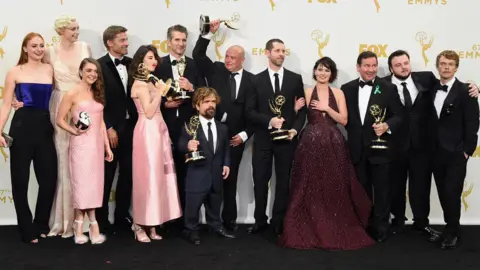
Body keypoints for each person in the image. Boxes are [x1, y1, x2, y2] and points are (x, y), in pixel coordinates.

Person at [279, 57, 375, 250]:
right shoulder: (306, 92)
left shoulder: (338, 93)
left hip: (334, 143)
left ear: (332, 74)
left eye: (327, 70)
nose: (323, 73)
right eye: (320, 70)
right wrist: (295, 110)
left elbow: (344, 120)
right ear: (315, 71)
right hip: (309, 144)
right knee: (307, 185)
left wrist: (327, 108)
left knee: (334, 185)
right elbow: (296, 119)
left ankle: (335, 225)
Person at [384, 50, 478, 236]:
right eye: (398, 65)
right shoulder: (383, 84)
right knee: (395, 186)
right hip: (396, 145)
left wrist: (476, 86)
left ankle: (421, 222)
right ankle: (398, 221)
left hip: (423, 147)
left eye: (405, 63)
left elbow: (454, 88)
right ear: (391, 68)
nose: (403, 67)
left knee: (421, 187)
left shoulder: (426, 79)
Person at [192, 19, 254, 231]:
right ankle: (207, 221)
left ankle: (229, 222)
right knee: (207, 179)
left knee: (230, 181)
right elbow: (198, 56)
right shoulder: (216, 70)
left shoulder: (252, 81)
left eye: (233, 57)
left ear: (242, 60)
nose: (228, 60)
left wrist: (245, 135)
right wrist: (208, 33)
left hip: (236, 139)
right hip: (211, 136)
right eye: (227, 56)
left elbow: (254, 114)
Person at [340, 51, 404, 242]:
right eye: (366, 66)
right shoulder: (347, 88)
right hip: (357, 149)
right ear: (358, 67)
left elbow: (398, 116)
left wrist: (386, 126)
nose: (371, 69)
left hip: (381, 148)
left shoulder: (387, 87)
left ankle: (381, 226)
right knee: (362, 190)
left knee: (382, 191)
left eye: (374, 65)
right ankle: (363, 225)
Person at [0, 32, 57, 243]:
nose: (39, 49)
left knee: (49, 179)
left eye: (41, 45)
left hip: (44, 126)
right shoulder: (15, 71)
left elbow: (61, 95)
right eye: (34, 46)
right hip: (22, 126)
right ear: (25, 48)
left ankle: (41, 223)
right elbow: (6, 103)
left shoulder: (50, 69)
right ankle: (26, 228)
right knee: (20, 181)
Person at [246, 38, 306, 235]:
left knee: (283, 181)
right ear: (267, 53)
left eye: (283, 51)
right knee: (260, 180)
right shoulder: (255, 80)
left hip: (287, 141)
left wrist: (295, 130)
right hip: (263, 139)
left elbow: (302, 111)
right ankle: (259, 220)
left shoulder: (295, 79)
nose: (281, 54)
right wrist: (269, 121)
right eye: (277, 51)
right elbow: (250, 111)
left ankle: (279, 221)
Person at [55, 58, 113, 244]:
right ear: (80, 72)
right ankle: (83, 224)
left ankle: (88, 224)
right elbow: (60, 119)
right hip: (80, 146)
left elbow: (101, 123)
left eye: (95, 71)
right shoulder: (72, 93)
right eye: (88, 70)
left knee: (94, 186)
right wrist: (74, 131)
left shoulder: (97, 93)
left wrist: (107, 146)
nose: (92, 74)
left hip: (96, 147)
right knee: (81, 185)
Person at [130, 45, 182, 243]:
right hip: (147, 132)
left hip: (159, 130)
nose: (154, 61)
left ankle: (153, 222)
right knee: (148, 178)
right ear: (140, 61)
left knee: (160, 177)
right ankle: (138, 224)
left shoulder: (151, 82)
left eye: (155, 58)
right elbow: (149, 111)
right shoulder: (140, 85)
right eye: (150, 58)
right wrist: (160, 92)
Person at [428, 50, 479, 249]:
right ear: (437, 66)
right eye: (443, 63)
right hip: (434, 151)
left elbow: (473, 122)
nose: (446, 67)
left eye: (450, 64)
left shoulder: (467, 90)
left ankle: (453, 231)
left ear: (456, 67)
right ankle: (450, 227)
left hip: (457, 152)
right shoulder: (430, 88)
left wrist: (467, 150)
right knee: (442, 191)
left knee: (452, 191)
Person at [152, 24, 203, 222]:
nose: (181, 44)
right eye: (177, 40)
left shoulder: (194, 64)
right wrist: (165, 104)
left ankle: (186, 220)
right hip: (162, 126)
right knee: (162, 173)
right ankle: (163, 218)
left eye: (184, 40)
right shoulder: (158, 64)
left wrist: (192, 87)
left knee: (187, 174)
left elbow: (205, 94)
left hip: (189, 128)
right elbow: (149, 95)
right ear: (168, 42)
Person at [47, 15, 91, 238]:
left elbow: (92, 78)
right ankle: (65, 221)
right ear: (61, 31)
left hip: (82, 106)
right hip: (61, 107)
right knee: (64, 163)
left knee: (83, 162)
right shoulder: (49, 52)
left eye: (78, 28)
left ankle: (83, 220)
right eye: (73, 29)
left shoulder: (85, 47)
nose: (77, 32)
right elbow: (41, 78)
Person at [178, 87, 235, 245]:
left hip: (216, 174)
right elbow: (180, 144)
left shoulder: (222, 128)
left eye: (213, 102)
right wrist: (188, 145)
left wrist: (226, 164)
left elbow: (225, 149)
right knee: (193, 206)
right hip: (197, 175)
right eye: (206, 102)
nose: (211, 105)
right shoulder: (190, 125)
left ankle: (216, 226)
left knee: (215, 203)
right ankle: (191, 230)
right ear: (197, 105)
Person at [97, 25, 138, 234]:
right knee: (106, 176)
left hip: (132, 129)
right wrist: (109, 127)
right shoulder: (98, 65)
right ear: (109, 43)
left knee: (128, 175)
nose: (127, 43)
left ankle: (122, 217)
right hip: (109, 131)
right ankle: (101, 221)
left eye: (126, 39)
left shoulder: (133, 64)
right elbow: (97, 100)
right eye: (122, 40)